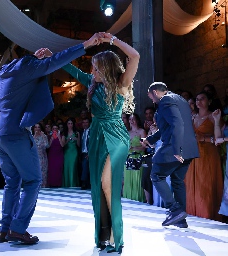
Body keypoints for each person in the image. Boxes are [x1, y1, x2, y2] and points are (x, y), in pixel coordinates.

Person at [0, 33, 102, 245]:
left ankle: (4, 229)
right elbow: (54, 62)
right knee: (33, 181)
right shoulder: (27, 66)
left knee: (12, 182)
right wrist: (86, 45)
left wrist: (33, 61)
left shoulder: (4, 72)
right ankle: (18, 228)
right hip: (16, 134)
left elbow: (27, 70)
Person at [62, 33, 139, 253]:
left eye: (96, 68)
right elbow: (68, 67)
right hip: (96, 136)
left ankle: (117, 235)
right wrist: (52, 56)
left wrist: (113, 40)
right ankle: (104, 234)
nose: (92, 72)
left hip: (115, 136)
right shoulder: (91, 83)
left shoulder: (121, 83)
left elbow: (135, 56)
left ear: (105, 68)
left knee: (108, 185)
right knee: (98, 188)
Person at [142, 82, 199, 229]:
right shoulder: (179, 99)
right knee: (177, 181)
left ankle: (175, 210)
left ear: (154, 92)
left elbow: (177, 124)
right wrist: (150, 139)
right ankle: (181, 219)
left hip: (175, 147)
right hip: (190, 148)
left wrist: (177, 149)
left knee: (156, 175)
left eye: (150, 96)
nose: (152, 100)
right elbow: (166, 127)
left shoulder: (165, 101)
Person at [185, 91, 224, 221]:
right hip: (193, 156)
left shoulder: (213, 117)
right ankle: (192, 214)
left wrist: (202, 138)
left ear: (209, 102)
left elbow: (219, 139)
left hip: (208, 154)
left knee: (205, 186)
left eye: (202, 99)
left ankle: (207, 215)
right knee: (191, 185)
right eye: (197, 99)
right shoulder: (192, 117)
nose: (198, 101)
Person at [62, 117, 80, 187]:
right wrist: (68, 140)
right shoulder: (65, 133)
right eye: (69, 123)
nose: (70, 125)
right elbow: (63, 145)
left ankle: (73, 184)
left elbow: (79, 144)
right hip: (67, 152)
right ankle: (67, 184)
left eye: (71, 123)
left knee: (73, 167)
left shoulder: (77, 133)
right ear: (66, 124)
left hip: (74, 152)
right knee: (67, 167)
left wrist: (76, 139)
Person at [33, 123, 49, 188]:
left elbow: (47, 145)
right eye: (36, 127)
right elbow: (30, 146)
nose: (37, 129)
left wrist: (43, 136)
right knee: (35, 173)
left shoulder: (44, 136)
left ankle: (43, 188)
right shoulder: (32, 136)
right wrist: (34, 136)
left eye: (38, 127)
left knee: (43, 173)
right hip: (35, 158)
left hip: (43, 157)